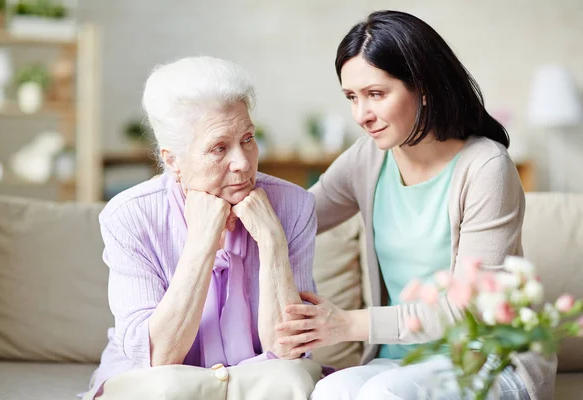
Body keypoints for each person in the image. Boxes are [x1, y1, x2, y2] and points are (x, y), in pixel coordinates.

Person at [275, 10, 556, 400]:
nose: (361, 115)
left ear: (423, 86)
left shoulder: (486, 166)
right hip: (400, 362)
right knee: (330, 391)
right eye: (352, 97)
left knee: (383, 395)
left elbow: (467, 312)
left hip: (484, 362)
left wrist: (345, 324)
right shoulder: (367, 159)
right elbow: (297, 217)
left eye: (376, 94)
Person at [82, 56, 321, 400]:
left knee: (290, 380)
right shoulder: (129, 216)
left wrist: (272, 244)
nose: (242, 163)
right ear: (172, 160)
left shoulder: (293, 205)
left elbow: (288, 352)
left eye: (248, 139)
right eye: (219, 148)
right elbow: (159, 358)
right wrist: (202, 242)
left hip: (259, 383)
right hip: (160, 383)